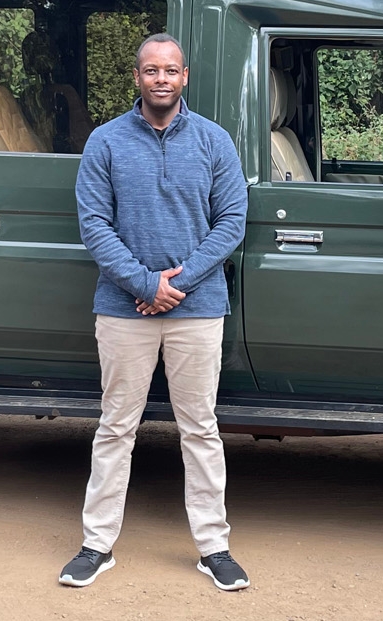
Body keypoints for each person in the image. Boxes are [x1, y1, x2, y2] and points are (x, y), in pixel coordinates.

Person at [58, 32, 251, 592]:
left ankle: (214, 546)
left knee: (201, 428)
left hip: (198, 308)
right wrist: (144, 284)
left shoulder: (215, 141)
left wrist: (176, 284)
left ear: (184, 77)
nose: (160, 79)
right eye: (150, 70)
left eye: (170, 70)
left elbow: (232, 222)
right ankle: (97, 543)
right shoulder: (106, 142)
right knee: (117, 426)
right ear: (137, 78)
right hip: (123, 309)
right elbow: (94, 224)